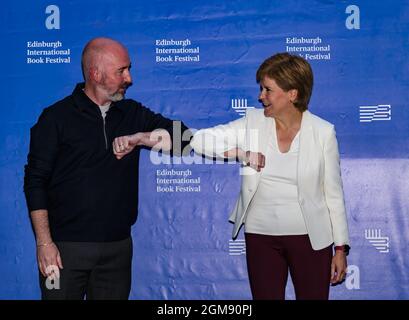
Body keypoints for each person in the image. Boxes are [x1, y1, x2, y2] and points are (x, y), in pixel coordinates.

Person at [23, 37, 190, 300]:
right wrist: (44, 243)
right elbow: (35, 182)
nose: (130, 78)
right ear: (95, 73)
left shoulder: (132, 113)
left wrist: (141, 138)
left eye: (128, 69)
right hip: (64, 251)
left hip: (117, 251)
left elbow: (186, 140)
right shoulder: (55, 118)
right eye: (121, 70)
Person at [190, 53, 350, 300]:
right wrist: (241, 153)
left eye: (267, 90)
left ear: (292, 94)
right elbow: (199, 140)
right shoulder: (252, 122)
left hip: (311, 239)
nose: (260, 96)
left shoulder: (323, 132)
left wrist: (340, 248)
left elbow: (333, 194)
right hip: (260, 236)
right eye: (261, 89)